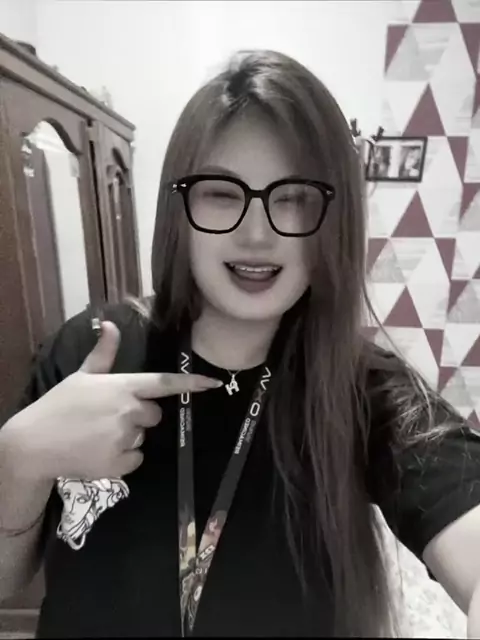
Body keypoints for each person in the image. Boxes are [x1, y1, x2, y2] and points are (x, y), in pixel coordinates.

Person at [0, 49, 480, 638]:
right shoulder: (94, 352)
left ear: (334, 221)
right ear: (179, 208)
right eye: (223, 194)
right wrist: (19, 460)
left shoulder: (363, 388)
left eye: (294, 198)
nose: (257, 234)